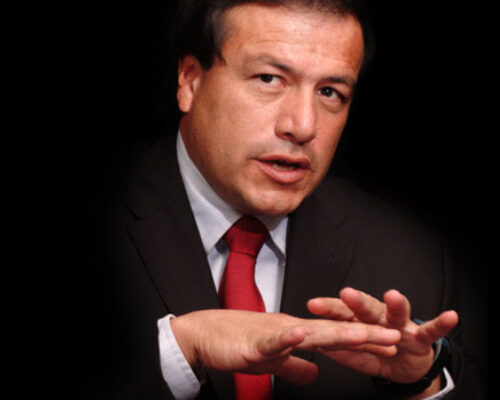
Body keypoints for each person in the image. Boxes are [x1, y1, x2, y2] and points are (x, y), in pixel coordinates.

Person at [80, 0, 481, 399]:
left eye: (330, 92)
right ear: (190, 81)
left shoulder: (412, 262)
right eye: (269, 79)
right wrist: (179, 350)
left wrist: (419, 383)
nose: (303, 126)